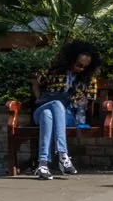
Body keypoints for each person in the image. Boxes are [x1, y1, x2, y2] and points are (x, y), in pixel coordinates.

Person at [30, 40, 103, 180]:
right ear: (71, 59)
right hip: (40, 110)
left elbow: (88, 101)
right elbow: (35, 81)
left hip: (67, 115)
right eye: (79, 64)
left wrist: (81, 102)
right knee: (54, 106)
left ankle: (43, 164)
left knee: (48, 114)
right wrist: (38, 99)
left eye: (85, 67)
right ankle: (63, 156)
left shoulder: (89, 80)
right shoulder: (54, 71)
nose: (81, 69)